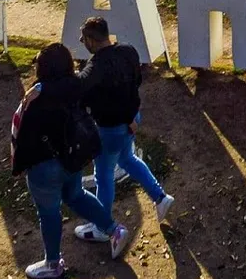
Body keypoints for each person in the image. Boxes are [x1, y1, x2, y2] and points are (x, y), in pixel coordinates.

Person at [11, 43, 133, 279]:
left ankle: (53, 263)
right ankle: (114, 229)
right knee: (76, 195)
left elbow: (22, 136)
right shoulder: (77, 87)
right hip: (73, 156)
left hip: (44, 166)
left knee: (48, 213)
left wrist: (20, 166)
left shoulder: (34, 97)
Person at [72, 18, 174, 243]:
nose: (82, 43)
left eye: (83, 39)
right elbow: (136, 82)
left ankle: (101, 225)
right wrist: (130, 117)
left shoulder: (95, 67)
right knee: (127, 159)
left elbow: (79, 91)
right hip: (130, 118)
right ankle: (160, 197)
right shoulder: (128, 51)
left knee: (103, 175)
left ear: (90, 40)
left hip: (112, 128)